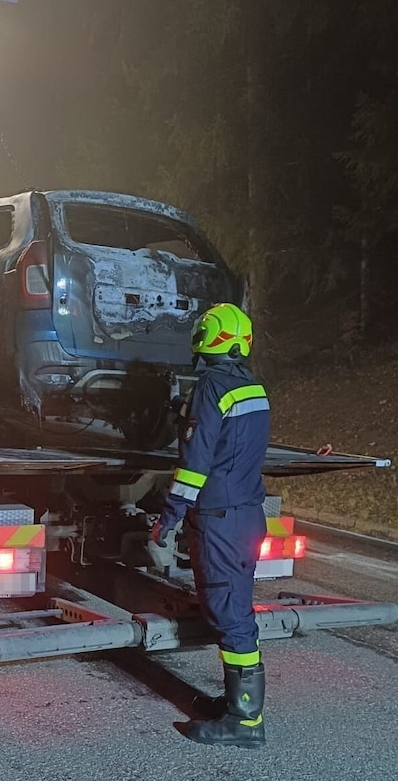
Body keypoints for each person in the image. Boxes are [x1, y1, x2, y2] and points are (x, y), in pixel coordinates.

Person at [151, 303, 270, 749]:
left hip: (219, 520)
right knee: (235, 609)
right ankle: (239, 705)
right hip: (247, 516)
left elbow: (195, 464)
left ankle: (245, 721)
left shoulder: (211, 388)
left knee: (229, 615)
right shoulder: (253, 388)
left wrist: (169, 518)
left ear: (207, 338)